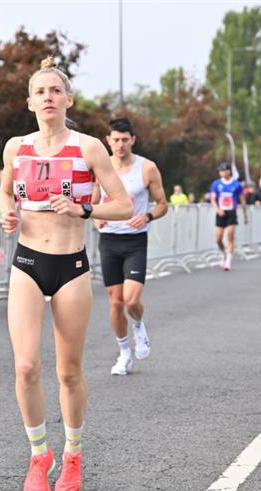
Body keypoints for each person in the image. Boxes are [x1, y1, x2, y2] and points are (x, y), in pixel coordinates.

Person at [0, 56, 132, 491]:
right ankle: (39, 454)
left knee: (68, 372)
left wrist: (83, 209)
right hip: (28, 263)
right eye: (40, 91)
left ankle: (73, 452)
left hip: (71, 266)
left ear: (68, 99)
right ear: (30, 102)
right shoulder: (16, 147)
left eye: (55, 91)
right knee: (25, 366)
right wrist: (6, 213)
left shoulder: (89, 147)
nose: (48, 98)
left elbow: (124, 205)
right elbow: (3, 188)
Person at [93, 117, 168, 376]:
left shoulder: (147, 168)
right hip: (110, 241)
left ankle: (138, 326)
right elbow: (93, 202)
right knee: (115, 304)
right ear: (108, 140)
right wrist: (96, 216)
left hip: (135, 241)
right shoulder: (101, 167)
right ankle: (124, 353)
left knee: (131, 300)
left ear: (133, 140)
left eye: (125, 139)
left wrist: (147, 216)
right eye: (116, 139)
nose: (121, 144)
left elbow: (162, 204)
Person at [210, 162, 247, 271]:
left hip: (231, 212)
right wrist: (218, 209)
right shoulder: (216, 184)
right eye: (220, 171)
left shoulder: (236, 184)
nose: (222, 173)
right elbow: (213, 199)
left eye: (224, 171)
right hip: (221, 212)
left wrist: (245, 215)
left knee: (230, 236)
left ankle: (228, 262)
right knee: (218, 239)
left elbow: (242, 200)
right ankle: (223, 254)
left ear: (229, 171)